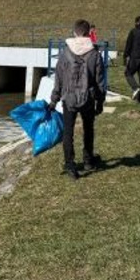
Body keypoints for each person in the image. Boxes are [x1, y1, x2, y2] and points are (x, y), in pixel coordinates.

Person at [47, 19, 107, 180]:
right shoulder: (94, 54)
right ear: (88, 33)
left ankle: (70, 165)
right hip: (88, 98)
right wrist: (100, 102)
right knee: (88, 129)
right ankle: (88, 160)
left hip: (69, 98)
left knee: (68, 131)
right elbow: (100, 80)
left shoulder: (65, 52)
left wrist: (54, 100)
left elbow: (59, 78)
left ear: (74, 32)